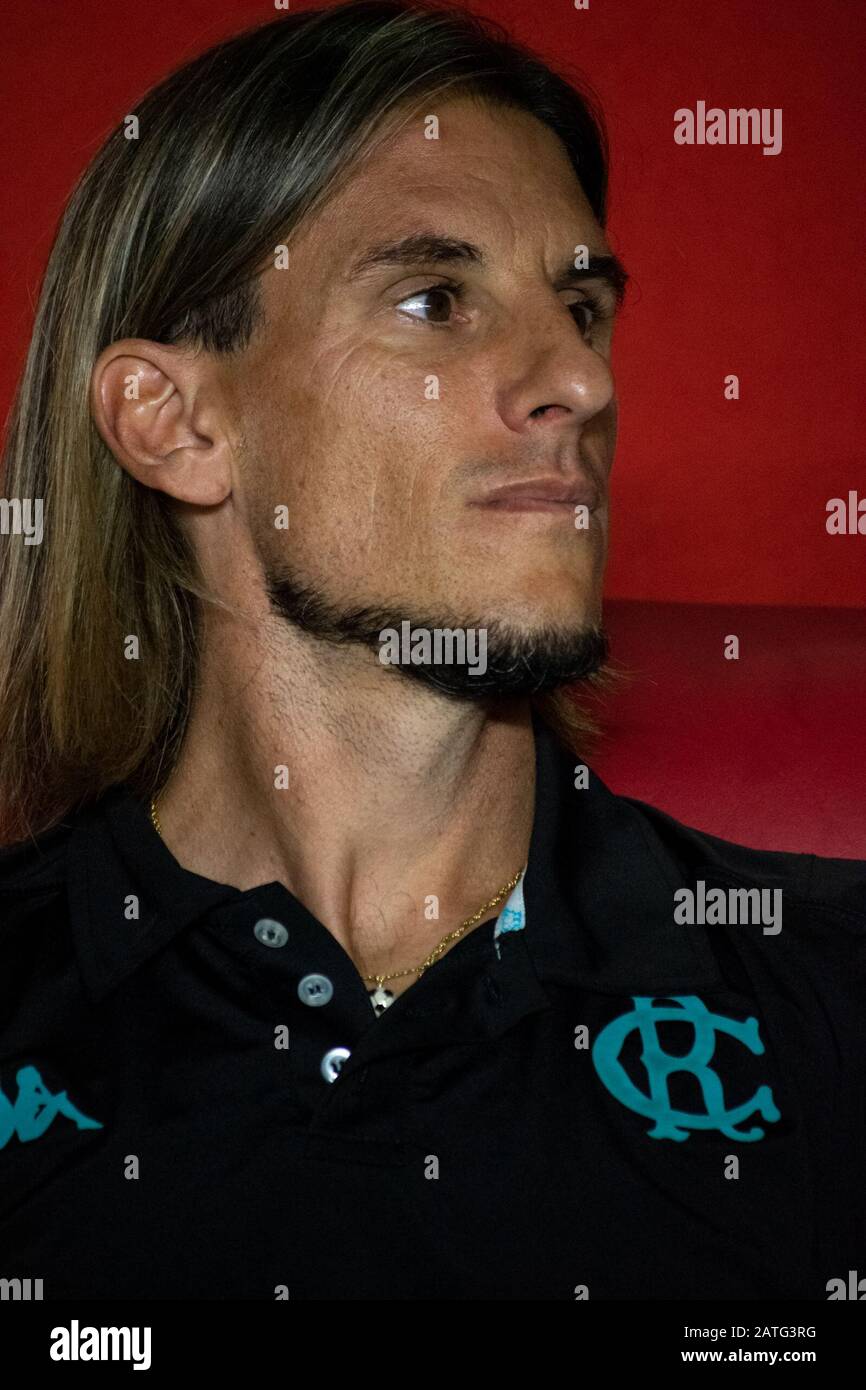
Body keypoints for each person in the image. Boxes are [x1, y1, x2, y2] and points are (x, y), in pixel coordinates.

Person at [0, 0, 862, 1301]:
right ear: (170, 422)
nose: (580, 379)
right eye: (433, 298)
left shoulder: (835, 993)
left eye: (581, 304)